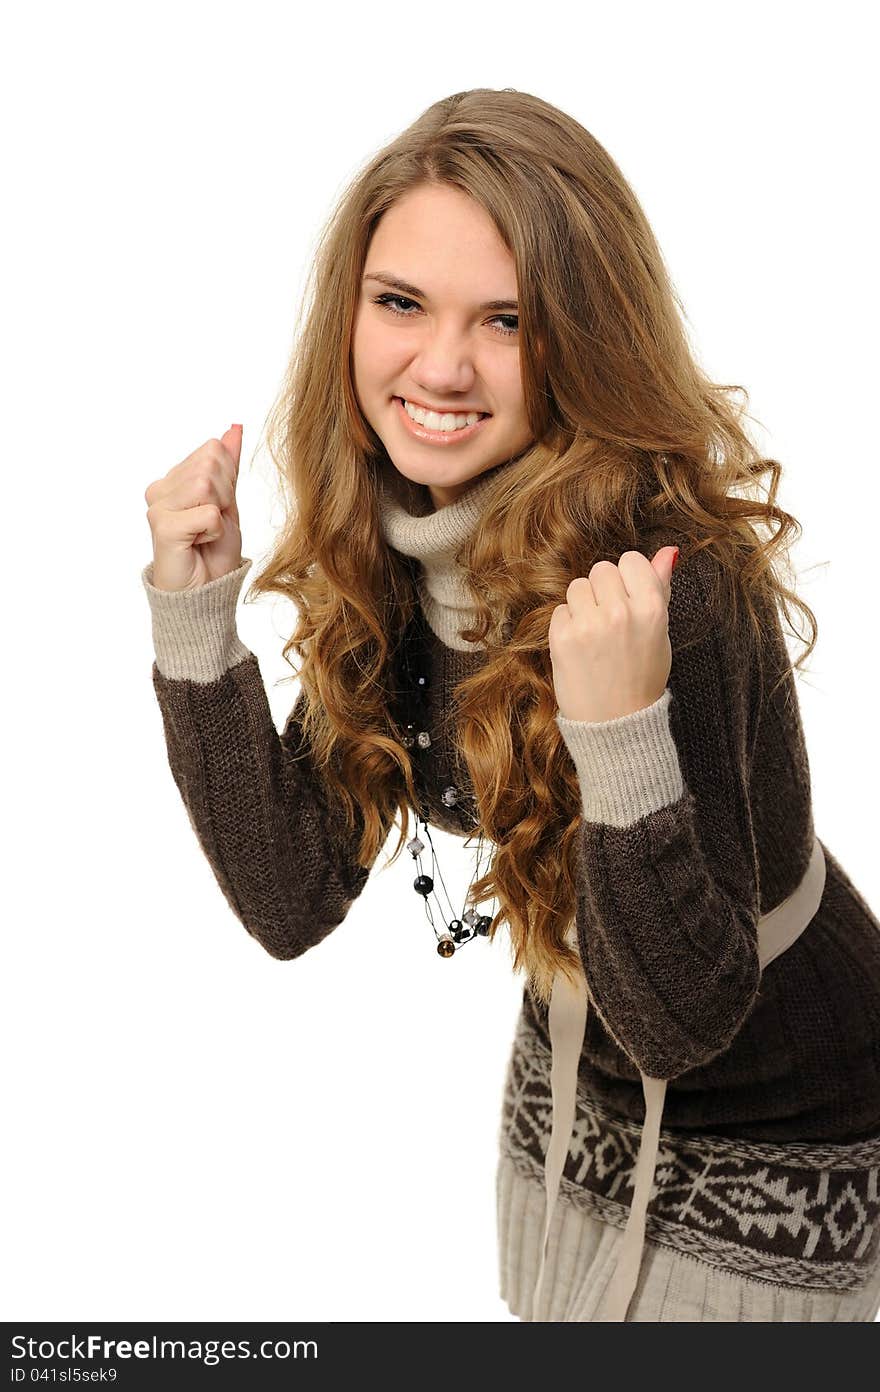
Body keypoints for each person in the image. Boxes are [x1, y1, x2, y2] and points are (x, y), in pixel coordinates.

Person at [140, 87, 880, 1322]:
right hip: (573, 1083)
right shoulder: (398, 534)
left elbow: (683, 1024)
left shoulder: (666, 589)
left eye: (507, 321)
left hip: (791, 1122)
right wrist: (195, 623)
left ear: (584, 341)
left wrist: (621, 736)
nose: (439, 365)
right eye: (401, 304)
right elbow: (289, 897)